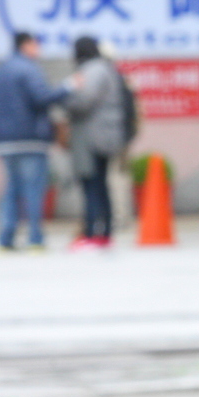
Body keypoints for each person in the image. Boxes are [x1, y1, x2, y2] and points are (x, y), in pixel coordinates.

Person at [0, 32, 69, 251]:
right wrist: (67, 87)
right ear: (26, 45)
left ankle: (5, 239)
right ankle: (35, 238)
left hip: (3, 141)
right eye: (36, 44)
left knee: (11, 189)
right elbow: (42, 98)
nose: (38, 49)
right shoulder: (29, 69)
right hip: (30, 138)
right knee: (33, 190)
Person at [64, 36, 128, 250]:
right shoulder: (106, 68)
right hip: (107, 135)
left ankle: (93, 233)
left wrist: (66, 95)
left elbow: (84, 101)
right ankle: (105, 233)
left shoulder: (92, 70)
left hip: (93, 137)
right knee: (101, 185)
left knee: (91, 185)